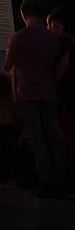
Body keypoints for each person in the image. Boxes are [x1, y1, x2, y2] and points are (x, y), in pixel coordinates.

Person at [4, 0, 67, 196]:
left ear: (23, 14)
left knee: (37, 138)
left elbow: (8, 65)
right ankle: (62, 176)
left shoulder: (19, 38)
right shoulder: (51, 39)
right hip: (48, 92)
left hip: (27, 93)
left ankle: (46, 179)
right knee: (53, 135)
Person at [47, 8, 75, 164]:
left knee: (64, 132)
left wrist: (51, 85)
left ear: (54, 24)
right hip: (67, 94)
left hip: (64, 95)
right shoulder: (70, 41)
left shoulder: (64, 44)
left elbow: (62, 68)